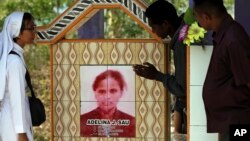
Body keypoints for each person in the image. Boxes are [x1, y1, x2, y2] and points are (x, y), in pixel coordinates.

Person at [193, 0, 250, 141]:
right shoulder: (224, 34)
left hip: (237, 120)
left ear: (206, 17)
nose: (197, 22)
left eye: (197, 17)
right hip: (227, 120)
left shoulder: (233, 38)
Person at [133, 0, 186, 134]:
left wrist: (157, 75)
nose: (152, 31)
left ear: (166, 24)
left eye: (154, 26)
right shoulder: (185, 31)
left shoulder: (181, 43)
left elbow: (182, 89)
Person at [0, 12, 36, 141]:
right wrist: (21, 133)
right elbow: (17, 99)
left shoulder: (13, 57)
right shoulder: (14, 61)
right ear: (18, 33)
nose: (34, 32)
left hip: (11, 120)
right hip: (13, 126)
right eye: (31, 28)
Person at [80, 70, 135, 137]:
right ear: (95, 93)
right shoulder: (81, 121)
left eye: (113, 91)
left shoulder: (133, 123)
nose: (107, 97)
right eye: (102, 91)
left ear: (121, 93)